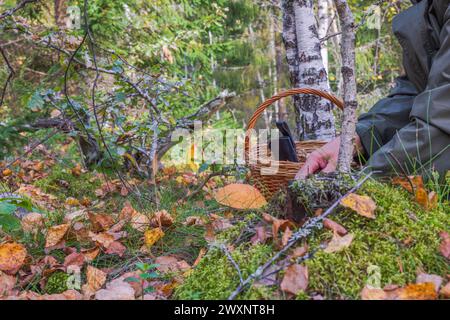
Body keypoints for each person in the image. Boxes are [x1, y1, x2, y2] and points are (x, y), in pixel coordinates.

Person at [296, 0, 450, 180]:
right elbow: (417, 93)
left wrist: (362, 184)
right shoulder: (431, 7)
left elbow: (440, 117)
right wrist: (358, 138)